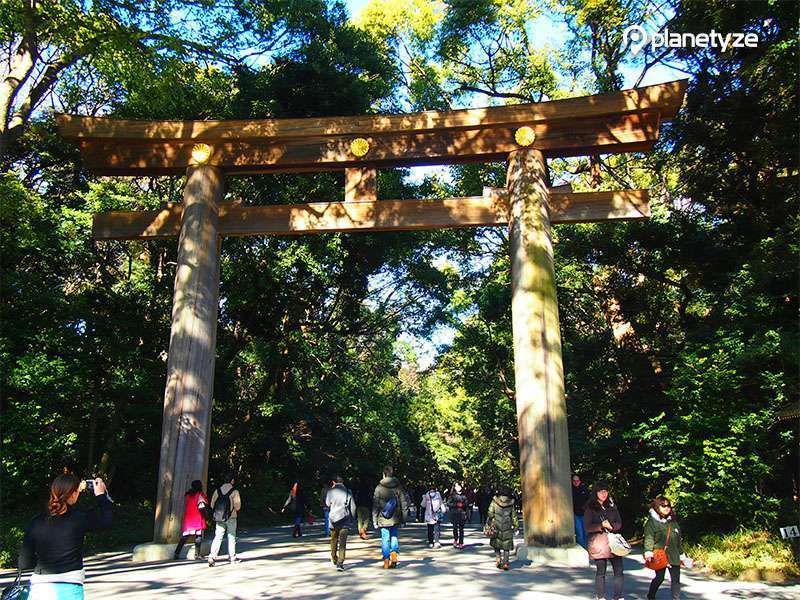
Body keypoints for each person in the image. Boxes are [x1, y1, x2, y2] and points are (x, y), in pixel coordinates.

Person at [19, 473, 112, 600]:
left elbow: (24, 562)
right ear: (73, 494)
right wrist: (101, 495)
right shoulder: (79, 518)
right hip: (70, 588)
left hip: (40, 590)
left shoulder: (36, 522)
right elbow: (106, 521)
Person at [584, 480, 624, 600]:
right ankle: (600, 596)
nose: (604, 494)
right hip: (599, 542)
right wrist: (601, 525)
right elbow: (587, 527)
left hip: (613, 542)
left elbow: (619, 522)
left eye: (605, 491)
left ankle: (618, 596)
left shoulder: (611, 506)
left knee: (619, 570)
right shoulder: (590, 508)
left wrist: (613, 526)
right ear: (596, 493)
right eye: (601, 491)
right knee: (601, 571)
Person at [644, 496, 686, 600]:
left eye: (668, 506)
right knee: (659, 578)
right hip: (660, 554)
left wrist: (682, 555)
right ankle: (651, 596)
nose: (666, 508)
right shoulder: (652, 522)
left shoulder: (673, 522)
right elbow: (649, 538)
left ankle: (676, 598)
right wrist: (648, 552)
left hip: (674, 554)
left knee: (676, 580)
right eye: (663, 506)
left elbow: (678, 540)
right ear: (658, 507)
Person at [372, 465, 408, 569]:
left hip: (383, 518)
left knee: (385, 539)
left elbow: (375, 505)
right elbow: (404, 503)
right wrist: (404, 519)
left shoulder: (379, 488)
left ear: (384, 474)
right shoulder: (398, 487)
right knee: (394, 536)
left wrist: (374, 520)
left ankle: (386, 561)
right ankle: (394, 556)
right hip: (396, 517)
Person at [208, 472, 242, 567]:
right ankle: (232, 557)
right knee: (231, 537)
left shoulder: (217, 491)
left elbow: (212, 504)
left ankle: (212, 556)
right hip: (231, 517)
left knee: (218, 536)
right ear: (232, 481)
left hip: (219, 517)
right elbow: (238, 506)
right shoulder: (235, 492)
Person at [173, 479, 209, 560]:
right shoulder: (199, 495)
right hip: (197, 517)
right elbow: (201, 506)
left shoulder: (188, 495)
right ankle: (197, 554)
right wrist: (206, 516)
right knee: (198, 536)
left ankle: (176, 553)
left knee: (185, 536)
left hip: (188, 518)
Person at [325, 475, 355, 571]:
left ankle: (334, 557)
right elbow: (353, 507)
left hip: (333, 519)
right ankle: (340, 562)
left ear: (334, 482)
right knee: (342, 542)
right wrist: (352, 518)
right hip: (345, 519)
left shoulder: (330, 491)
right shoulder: (348, 491)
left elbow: (327, 503)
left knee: (333, 539)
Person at [487, 485, 518, 571]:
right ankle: (506, 563)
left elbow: (490, 513)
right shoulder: (511, 503)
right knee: (506, 545)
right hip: (507, 526)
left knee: (496, 544)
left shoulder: (494, 501)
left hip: (496, 525)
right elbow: (514, 516)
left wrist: (491, 519)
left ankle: (498, 559)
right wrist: (516, 526)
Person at [447, 483, 468, 549]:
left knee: (461, 529)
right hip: (454, 513)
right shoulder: (452, 495)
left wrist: (463, 505)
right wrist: (456, 505)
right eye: (457, 486)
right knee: (455, 528)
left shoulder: (464, 495)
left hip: (462, 513)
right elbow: (448, 503)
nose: (458, 487)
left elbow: (467, 504)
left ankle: (461, 542)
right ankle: (455, 539)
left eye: (459, 486)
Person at [571, 473, 590, 549]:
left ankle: (589, 550)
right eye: (574, 480)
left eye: (577, 480)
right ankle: (583, 550)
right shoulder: (570, 489)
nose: (576, 482)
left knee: (586, 532)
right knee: (579, 533)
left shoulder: (584, 489)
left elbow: (588, 500)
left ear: (580, 481)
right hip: (575, 514)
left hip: (584, 514)